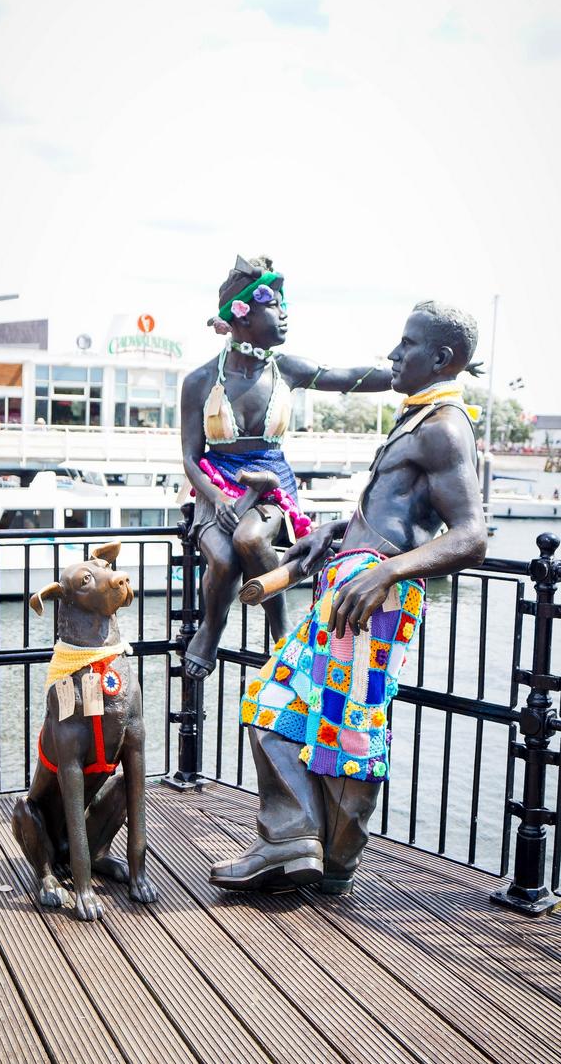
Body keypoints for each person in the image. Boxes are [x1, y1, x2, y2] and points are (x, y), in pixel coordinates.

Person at [210, 300, 488, 894]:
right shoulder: (417, 420)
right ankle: (297, 840)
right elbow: (397, 514)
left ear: (441, 359)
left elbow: (471, 536)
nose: (393, 354)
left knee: (347, 728)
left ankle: (329, 861)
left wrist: (386, 574)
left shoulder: (444, 428)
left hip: (372, 598)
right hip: (354, 585)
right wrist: (335, 534)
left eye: (407, 345)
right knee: (276, 703)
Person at [180, 254, 394, 679]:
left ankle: (280, 633)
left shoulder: (286, 369)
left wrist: (416, 373)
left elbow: (346, 376)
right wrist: (217, 496)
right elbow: (190, 456)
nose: (284, 314)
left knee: (250, 537)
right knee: (221, 559)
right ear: (241, 314)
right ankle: (213, 625)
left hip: (270, 483)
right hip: (216, 484)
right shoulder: (200, 380)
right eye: (274, 306)